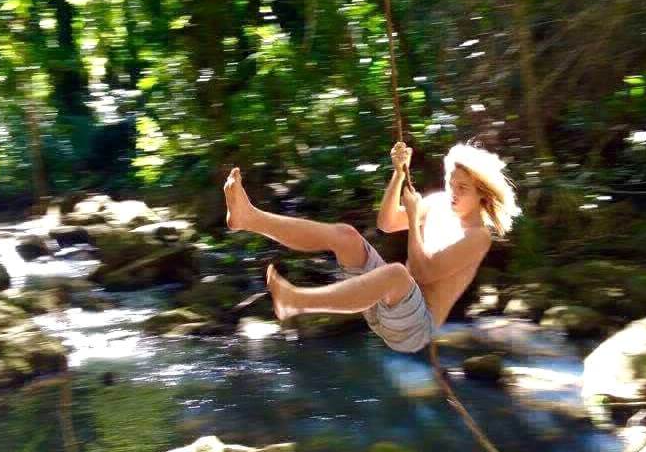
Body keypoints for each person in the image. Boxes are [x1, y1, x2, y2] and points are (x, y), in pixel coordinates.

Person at [223, 140, 521, 352]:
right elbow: (387, 223)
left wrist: (414, 215)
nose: (452, 193)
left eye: (462, 188)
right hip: (387, 303)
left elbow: (423, 273)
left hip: (414, 328)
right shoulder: (439, 203)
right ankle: (249, 218)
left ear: (482, 195)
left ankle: (296, 301)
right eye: (451, 184)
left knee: (397, 274)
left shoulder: (478, 237)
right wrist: (398, 174)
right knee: (346, 236)